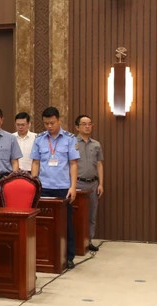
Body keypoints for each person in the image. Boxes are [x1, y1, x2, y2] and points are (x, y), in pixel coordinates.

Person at [30, 106, 80, 269]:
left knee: (66, 224)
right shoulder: (39, 139)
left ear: (59, 120)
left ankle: (69, 256)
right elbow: (36, 163)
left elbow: (73, 164)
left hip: (62, 187)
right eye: (46, 123)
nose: (49, 126)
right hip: (44, 187)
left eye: (52, 123)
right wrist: (33, 184)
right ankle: (45, 255)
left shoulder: (69, 138)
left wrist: (73, 187)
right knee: (44, 224)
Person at [74, 114, 104, 252]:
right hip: (78, 184)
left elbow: (99, 165)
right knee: (77, 215)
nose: (87, 126)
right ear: (77, 127)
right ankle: (77, 241)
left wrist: (101, 184)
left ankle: (89, 240)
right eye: (84, 124)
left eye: (89, 123)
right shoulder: (72, 143)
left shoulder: (96, 144)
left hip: (92, 184)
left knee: (91, 214)